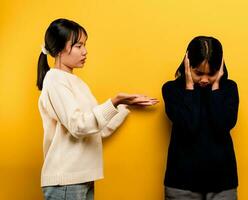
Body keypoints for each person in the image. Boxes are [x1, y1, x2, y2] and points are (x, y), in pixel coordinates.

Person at [37, 18, 158, 200]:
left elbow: (97, 130)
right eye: (78, 46)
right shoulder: (55, 80)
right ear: (60, 48)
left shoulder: (77, 83)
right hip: (66, 182)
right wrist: (113, 100)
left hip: (81, 178)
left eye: (85, 45)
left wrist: (123, 105)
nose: (85, 51)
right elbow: (79, 126)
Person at [162, 36, 239, 200]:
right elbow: (189, 127)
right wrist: (190, 87)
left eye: (211, 73)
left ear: (220, 68)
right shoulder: (171, 90)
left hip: (222, 183)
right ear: (187, 65)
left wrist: (216, 87)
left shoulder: (229, 89)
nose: (204, 80)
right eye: (198, 73)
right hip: (181, 183)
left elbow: (222, 126)